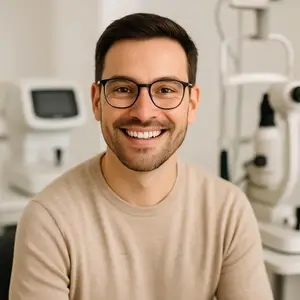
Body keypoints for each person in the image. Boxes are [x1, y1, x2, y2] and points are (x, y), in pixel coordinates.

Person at [9, 12, 274, 300]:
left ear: (192, 104)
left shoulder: (228, 212)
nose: (144, 113)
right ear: (97, 101)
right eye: (123, 89)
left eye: (165, 90)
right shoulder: (49, 220)